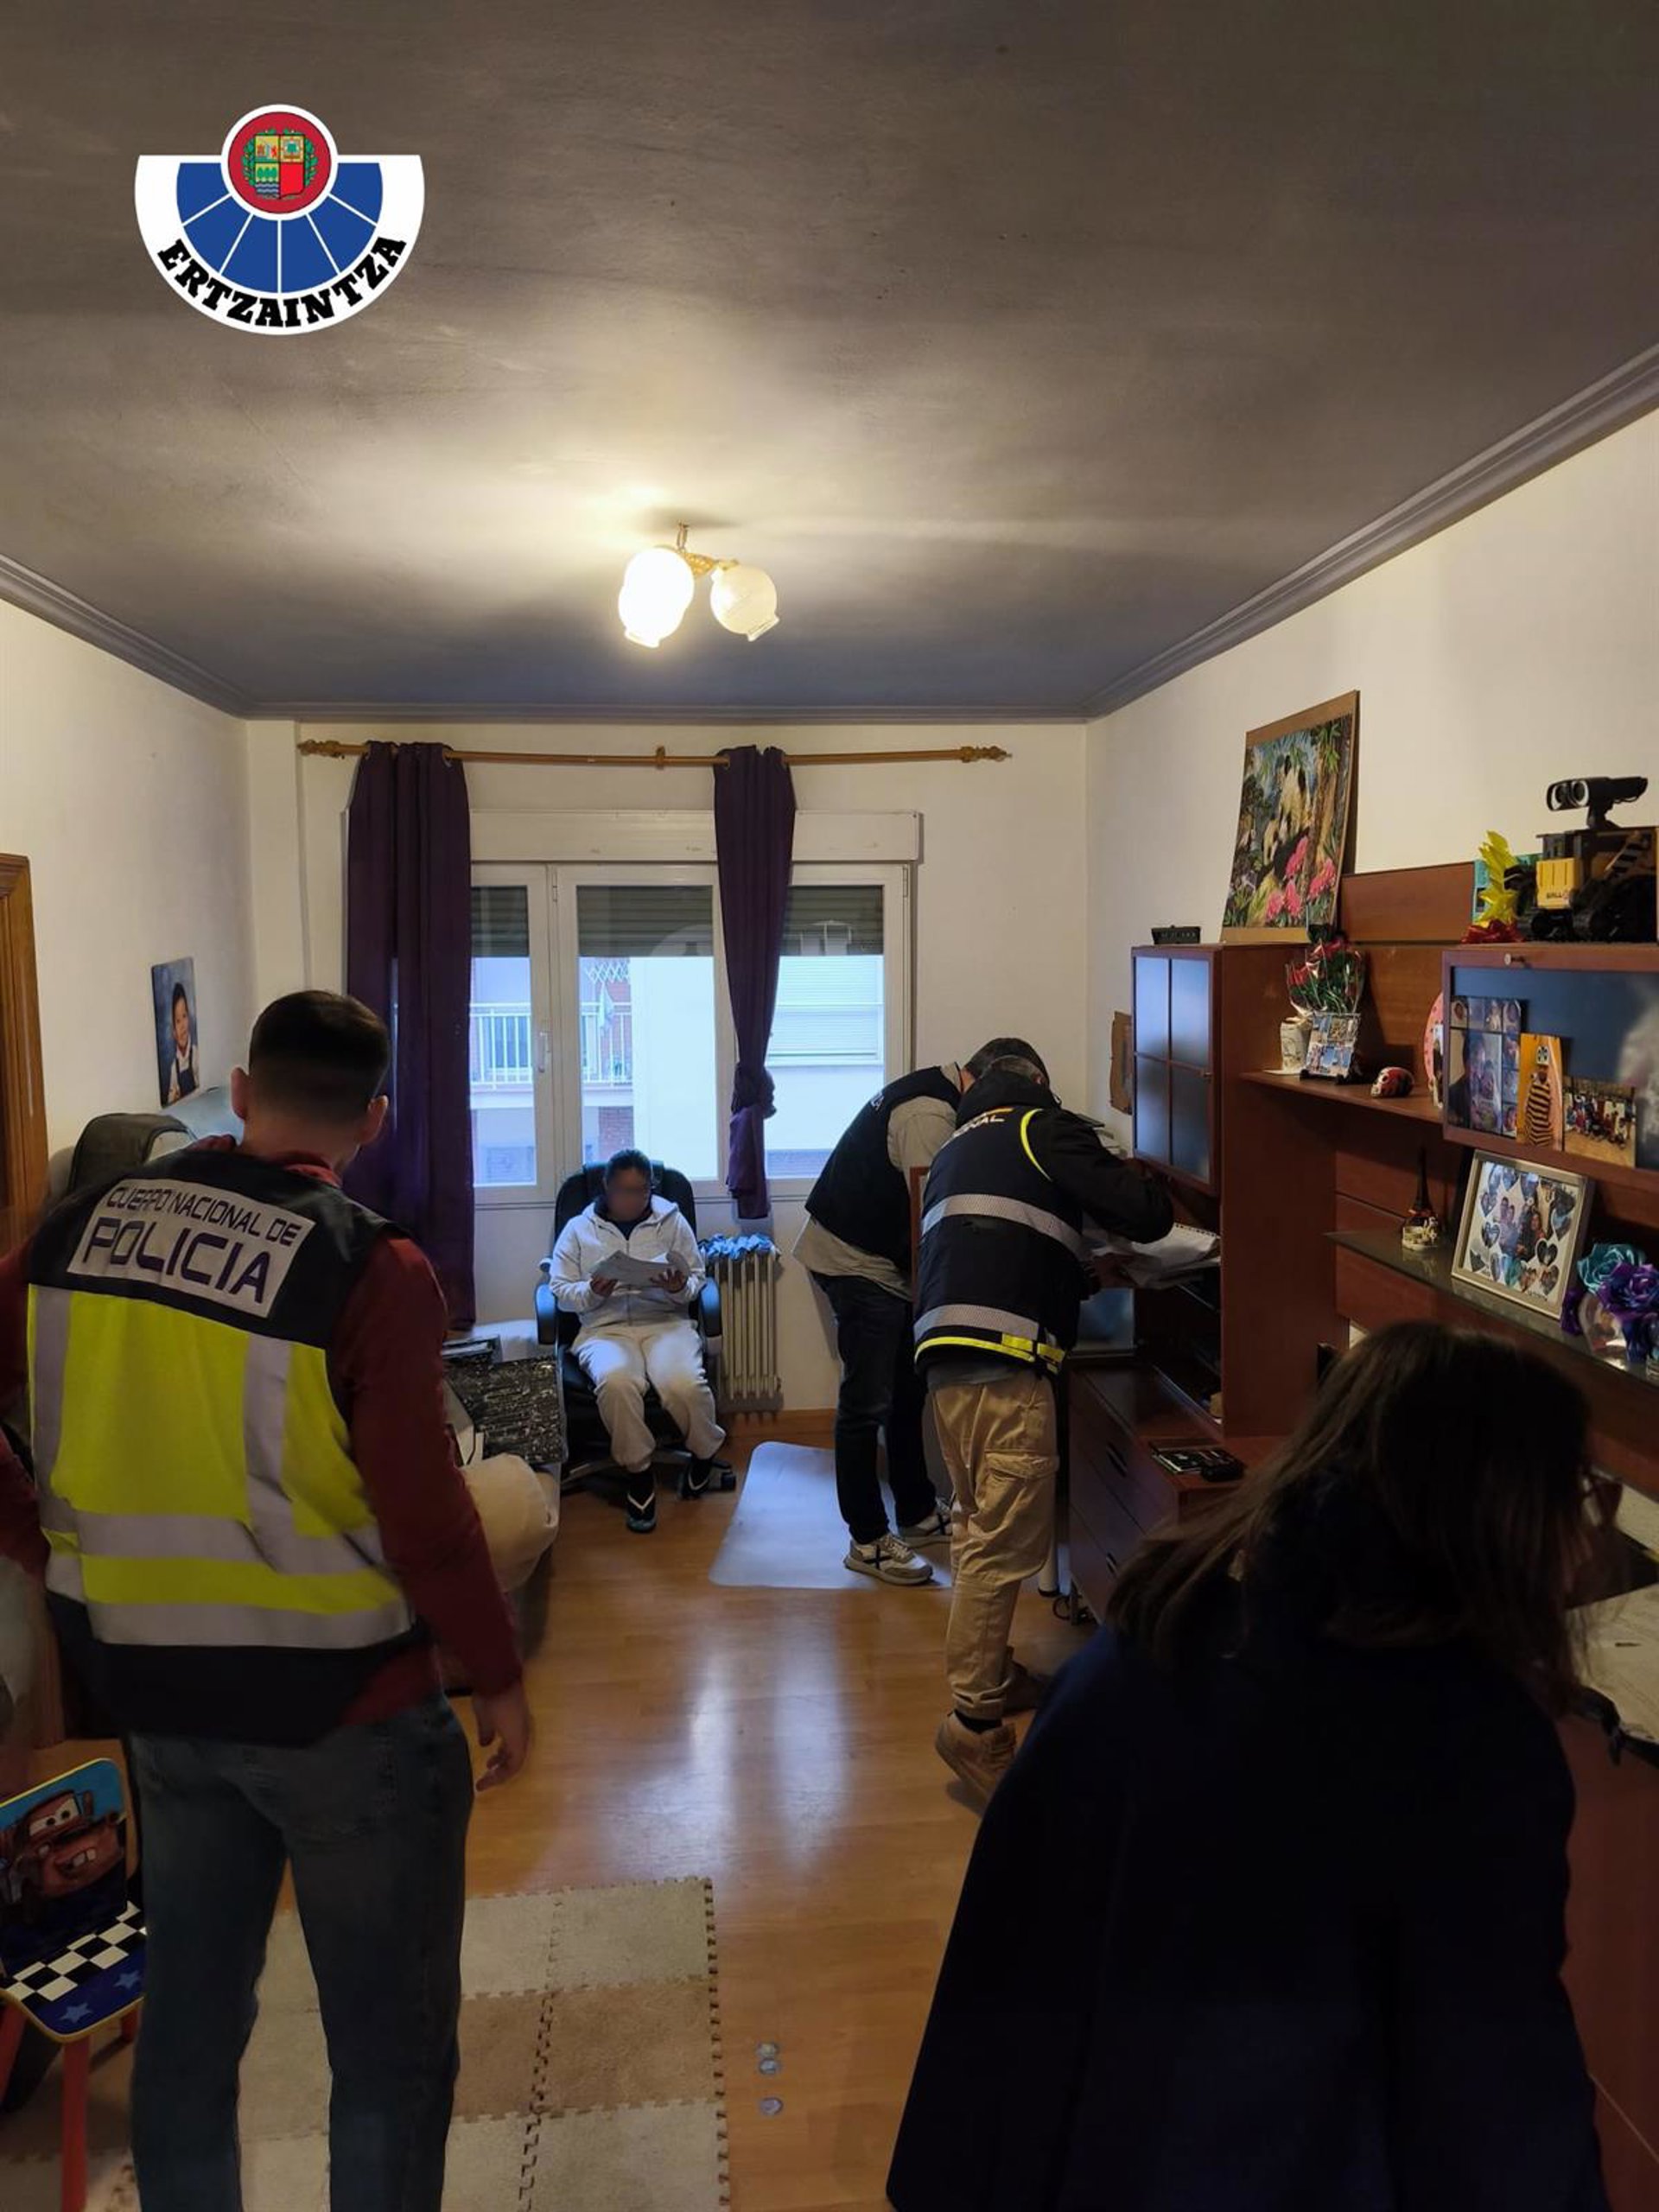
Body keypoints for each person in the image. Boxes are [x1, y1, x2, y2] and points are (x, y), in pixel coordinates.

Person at [0, 989, 534, 2212]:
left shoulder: (78, 1230)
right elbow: (427, 1520)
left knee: (189, 2028)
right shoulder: (369, 1266)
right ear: (376, 1118)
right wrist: (498, 1673)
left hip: (160, 1706)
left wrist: (37, 1543)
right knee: (389, 2057)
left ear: (238, 1094)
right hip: (348, 1716)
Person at [888, 1324, 1614, 2212]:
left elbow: (995, 1985)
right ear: (1500, 1521)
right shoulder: (1472, 1754)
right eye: (1581, 1497)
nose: (1583, 1542)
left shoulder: (1142, 1649)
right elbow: (1499, 2108)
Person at [915, 1046, 1173, 1803]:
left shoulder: (960, 1146)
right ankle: (974, 1726)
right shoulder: (1040, 1125)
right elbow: (1148, 1216)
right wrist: (1146, 1179)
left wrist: (1085, 1274)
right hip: (1005, 1365)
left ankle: (994, 1674)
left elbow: (1002, 1244)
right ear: (1035, 1081)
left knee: (976, 1526)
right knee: (999, 1548)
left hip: (947, 1363)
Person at [797, 1046, 1014, 1588]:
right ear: (984, 1082)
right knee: (866, 1402)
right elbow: (931, 1217)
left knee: (905, 1390)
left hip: (877, 1259)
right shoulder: (928, 1117)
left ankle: (915, 1512)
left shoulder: (941, 1097)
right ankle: (867, 1540)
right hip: (855, 1261)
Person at [549, 1148, 725, 1535]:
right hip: (604, 1328)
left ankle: (703, 1454)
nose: (632, 1199)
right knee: (617, 1382)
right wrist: (591, 1293)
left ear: (651, 1189)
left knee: (683, 1384)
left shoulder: (672, 1221)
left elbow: (697, 1279)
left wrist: (678, 1288)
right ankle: (639, 1473)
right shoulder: (578, 1229)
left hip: (665, 1323)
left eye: (641, 1191)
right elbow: (559, 1290)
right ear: (606, 1188)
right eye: (623, 1191)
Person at [165, 979, 199, 1104]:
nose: (183, 1026)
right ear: (174, 1031)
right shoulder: (174, 1068)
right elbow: (170, 1100)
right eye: (178, 1021)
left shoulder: (195, 1054)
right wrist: (174, 1097)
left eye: (184, 1016)